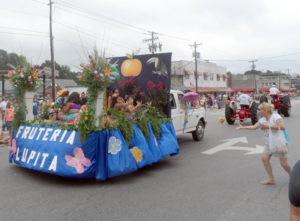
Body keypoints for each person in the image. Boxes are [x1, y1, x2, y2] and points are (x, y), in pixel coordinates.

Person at [236, 102, 291, 185]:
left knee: (284, 164)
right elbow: (254, 127)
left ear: (265, 110)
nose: (259, 111)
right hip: (269, 142)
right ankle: (271, 179)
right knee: (264, 159)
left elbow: (282, 127)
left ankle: (292, 175)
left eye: (260, 110)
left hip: (280, 143)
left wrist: (268, 127)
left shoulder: (276, 117)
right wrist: (242, 127)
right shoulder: (262, 120)